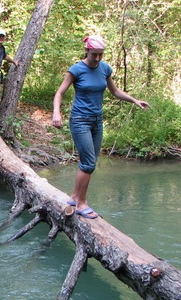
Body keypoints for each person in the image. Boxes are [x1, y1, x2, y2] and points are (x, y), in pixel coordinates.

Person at [53, 34, 150, 219]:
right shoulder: (76, 69)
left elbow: (115, 91)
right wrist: (56, 112)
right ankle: (81, 203)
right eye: (94, 54)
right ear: (87, 50)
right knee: (88, 163)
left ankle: (74, 196)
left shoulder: (105, 69)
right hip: (80, 120)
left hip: (97, 121)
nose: (97, 58)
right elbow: (59, 92)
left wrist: (134, 100)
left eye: (100, 54)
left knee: (89, 162)